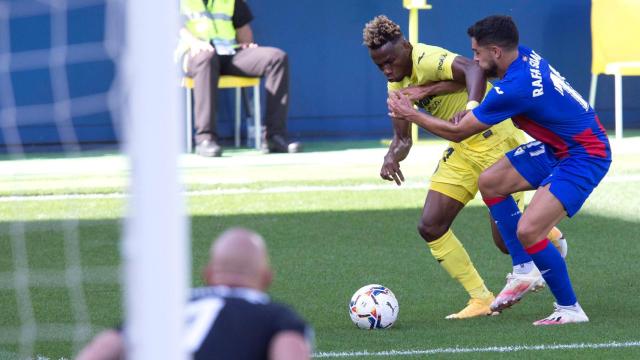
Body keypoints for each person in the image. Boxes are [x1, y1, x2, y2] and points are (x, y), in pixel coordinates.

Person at [388, 15, 611, 325]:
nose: (474, 60)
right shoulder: (523, 57)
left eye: (477, 53)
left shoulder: (516, 87)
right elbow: (480, 89)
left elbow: (458, 132)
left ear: (495, 51)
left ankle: (570, 309)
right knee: (490, 181)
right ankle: (525, 269)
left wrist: (409, 114)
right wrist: (432, 96)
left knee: (528, 230)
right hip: (559, 146)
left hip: (584, 154)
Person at [76, 228, 312, 359]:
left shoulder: (166, 307)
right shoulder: (276, 317)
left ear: (208, 275)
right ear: (266, 278)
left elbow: (100, 351)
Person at [177, 0, 301, 157]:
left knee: (277, 58)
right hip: (195, 54)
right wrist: (194, 42)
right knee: (206, 58)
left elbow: (244, 31)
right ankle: (205, 139)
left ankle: (274, 136)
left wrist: (246, 45)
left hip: (229, 53)